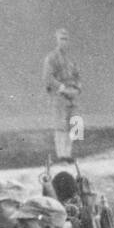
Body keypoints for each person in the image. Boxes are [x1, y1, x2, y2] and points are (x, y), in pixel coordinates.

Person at [43, 28, 81, 163]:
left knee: (73, 125)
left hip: (72, 95)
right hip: (59, 96)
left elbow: (77, 75)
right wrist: (62, 88)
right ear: (57, 40)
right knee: (60, 126)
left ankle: (68, 154)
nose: (64, 42)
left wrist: (77, 89)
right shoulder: (51, 58)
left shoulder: (71, 58)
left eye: (66, 39)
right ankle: (61, 155)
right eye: (61, 39)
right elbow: (48, 77)